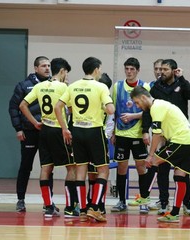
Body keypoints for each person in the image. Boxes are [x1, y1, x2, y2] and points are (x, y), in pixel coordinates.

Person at [55, 57, 115, 222]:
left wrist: (65, 128)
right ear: (96, 69)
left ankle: (82, 210)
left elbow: (57, 107)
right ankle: (95, 208)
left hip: (77, 131)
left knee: (80, 171)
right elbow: (110, 110)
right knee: (103, 170)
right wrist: (103, 105)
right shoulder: (101, 86)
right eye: (100, 69)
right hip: (94, 131)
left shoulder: (73, 86)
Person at [130, 85, 190, 223]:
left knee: (153, 162)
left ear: (143, 97)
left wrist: (150, 155)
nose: (137, 106)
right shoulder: (162, 105)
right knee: (180, 176)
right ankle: (174, 214)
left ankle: (144, 196)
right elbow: (161, 134)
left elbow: (155, 134)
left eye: (137, 102)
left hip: (181, 141)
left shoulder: (156, 107)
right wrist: (158, 151)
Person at [19, 57, 76, 218]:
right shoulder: (64, 87)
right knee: (71, 167)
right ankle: (70, 207)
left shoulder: (40, 86)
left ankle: (48, 206)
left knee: (46, 168)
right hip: (59, 130)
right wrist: (66, 128)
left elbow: (22, 105)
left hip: (44, 130)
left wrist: (35, 123)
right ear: (63, 71)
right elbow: (71, 110)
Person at [142, 59, 190, 215]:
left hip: (180, 135)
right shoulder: (156, 88)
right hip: (163, 134)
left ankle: (186, 203)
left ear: (174, 70)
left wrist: (182, 79)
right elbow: (147, 111)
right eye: (160, 69)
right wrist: (145, 130)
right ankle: (164, 202)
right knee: (162, 169)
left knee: (181, 172)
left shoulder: (181, 84)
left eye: (165, 69)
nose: (161, 72)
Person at [8, 56, 57, 212]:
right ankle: (20, 200)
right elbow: (14, 108)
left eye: (49, 65)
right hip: (29, 132)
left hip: (47, 132)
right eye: (43, 66)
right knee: (25, 166)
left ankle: (48, 202)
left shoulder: (54, 85)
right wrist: (18, 128)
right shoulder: (24, 85)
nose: (47, 68)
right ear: (36, 68)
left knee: (48, 168)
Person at [110, 57, 150, 213]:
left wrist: (136, 119)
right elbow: (113, 111)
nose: (129, 72)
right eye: (127, 68)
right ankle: (121, 201)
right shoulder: (117, 86)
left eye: (132, 69)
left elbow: (149, 110)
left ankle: (144, 200)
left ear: (137, 70)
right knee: (121, 167)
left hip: (138, 135)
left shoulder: (145, 86)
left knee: (141, 168)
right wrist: (113, 131)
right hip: (121, 133)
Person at [87, 73, 114, 215]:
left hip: (95, 136)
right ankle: (95, 203)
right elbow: (110, 125)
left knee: (95, 173)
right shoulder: (103, 100)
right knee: (99, 173)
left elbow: (110, 124)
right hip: (99, 138)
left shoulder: (104, 100)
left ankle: (96, 203)